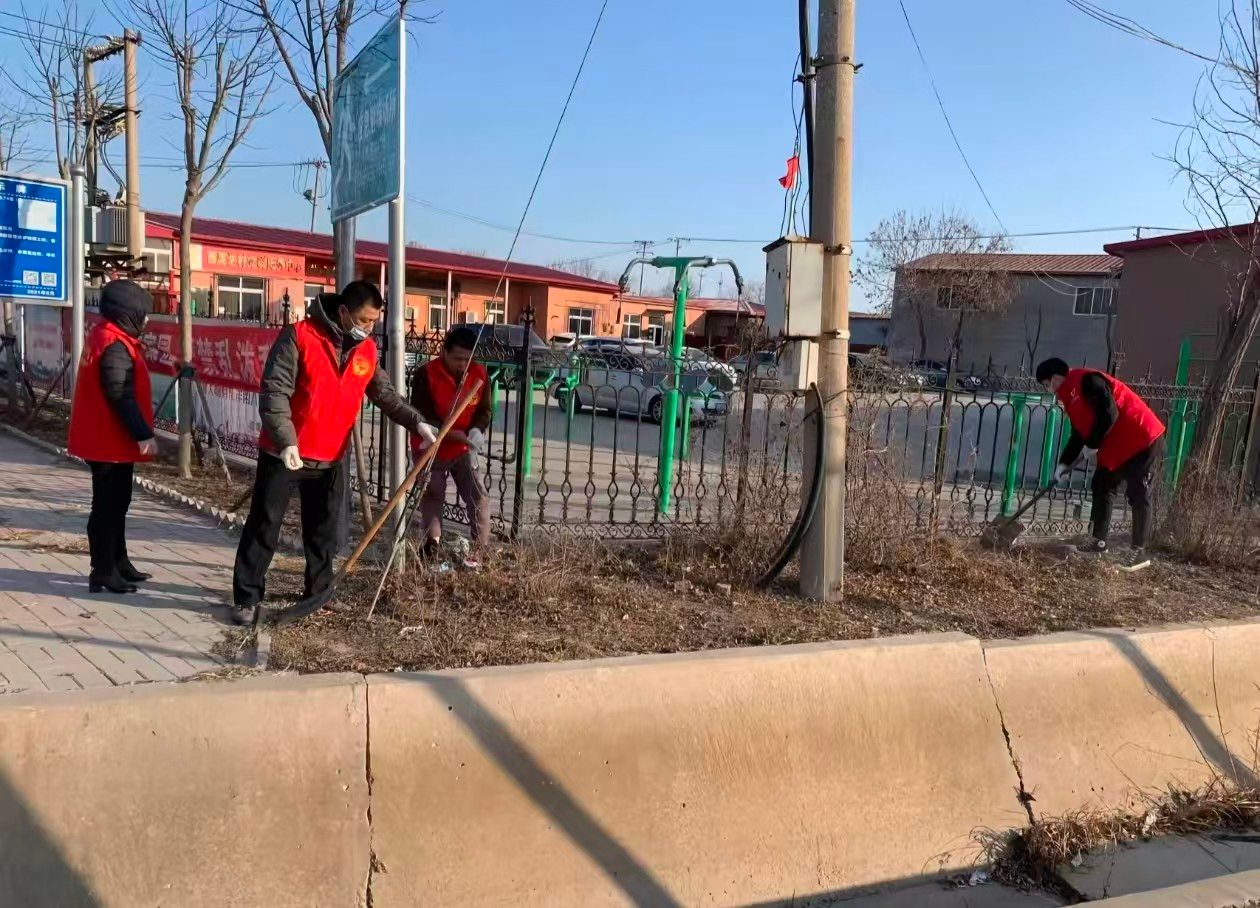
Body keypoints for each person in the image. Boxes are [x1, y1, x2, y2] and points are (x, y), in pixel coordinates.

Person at [230, 281, 437, 625]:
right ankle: (247, 597)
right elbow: (275, 391)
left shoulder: (366, 350)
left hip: (331, 456)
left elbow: (385, 395)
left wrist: (417, 423)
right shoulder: (299, 337)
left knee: (323, 531)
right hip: (285, 453)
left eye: (374, 321)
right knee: (265, 525)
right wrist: (286, 440)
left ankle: (319, 593)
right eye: (363, 320)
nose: (368, 328)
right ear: (343, 312)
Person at [67, 280, 159, 594]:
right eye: (142, 313)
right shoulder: (114, 344)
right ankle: (103, 570)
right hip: (107, 441)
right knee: (107, 506)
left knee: (118, 502)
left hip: (110, 441)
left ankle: (119, 562)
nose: (146, 320)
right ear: (126, 313)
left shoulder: (109, 336)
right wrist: (142, 435)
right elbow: (119, 393)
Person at [1036, 357, 1165, 570]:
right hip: (1117, 446)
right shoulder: (1069, 396)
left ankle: (1139, 552)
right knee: (1102, 485)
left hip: (1141, 439)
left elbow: (1109, 413)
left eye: (1046, 384)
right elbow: (1079, 433)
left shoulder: (1088, 381)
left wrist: (1093, 444)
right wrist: (1063, 464)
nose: (1048, 389)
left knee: (1139, 493)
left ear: (1056, 378)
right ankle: (1098, 542)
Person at [409, 325, 492, 555]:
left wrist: (477, 430)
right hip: (430, 444)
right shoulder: (426, 374)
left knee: (478, 495)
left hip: (463, 447)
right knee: (433, 492)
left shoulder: (479, 374)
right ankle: (432, 546)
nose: (462, 365)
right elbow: (421, 415)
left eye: (467, 359)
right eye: (457, 358)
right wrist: (449, 433)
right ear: (444, 352)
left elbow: (484, 411)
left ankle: (481, 550)